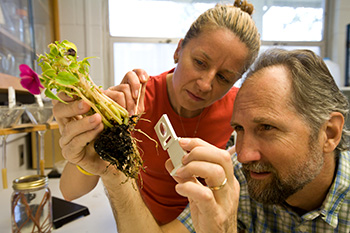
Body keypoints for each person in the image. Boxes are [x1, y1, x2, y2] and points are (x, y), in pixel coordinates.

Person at [55, 0, 261, 226]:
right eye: (200, 62)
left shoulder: (238, 109)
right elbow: (69, 191)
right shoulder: (136, 102)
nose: (205, 84)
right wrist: (92, 139)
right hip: (139, 222)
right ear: (178, 50)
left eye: (223, 78)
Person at [175, 48, 350, 232]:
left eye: (267, 128)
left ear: (329, 133)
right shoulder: (238, 177)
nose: (243, 155)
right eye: (239, 129)